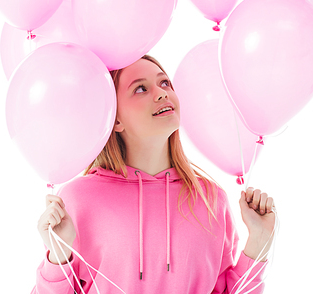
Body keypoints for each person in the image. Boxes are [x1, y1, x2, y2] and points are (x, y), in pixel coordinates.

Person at [32, 55, 276, 294]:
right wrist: (58, 256)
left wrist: (259, 241)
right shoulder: (79, 197)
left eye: (165, 83)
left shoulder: (212, 198)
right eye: (140, 89)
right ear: (115, 118)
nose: (161, 93)